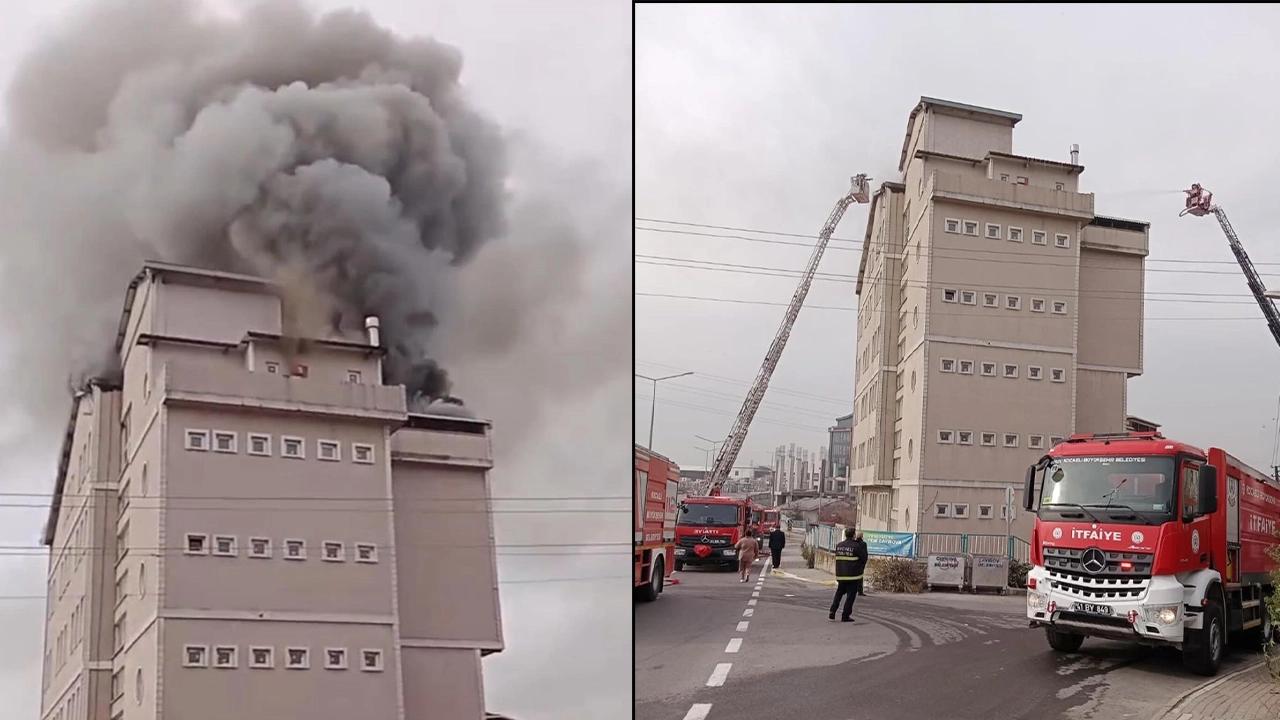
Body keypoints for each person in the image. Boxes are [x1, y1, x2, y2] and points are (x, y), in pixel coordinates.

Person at [829, 528, 868, 622]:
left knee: (838, 594)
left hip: (841, 575)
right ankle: (845, 616)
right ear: (854, 535)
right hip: (853, 576)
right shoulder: (856, 546)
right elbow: (864, 558)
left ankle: (832, 612)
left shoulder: (839, 546)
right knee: (850, 597)